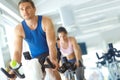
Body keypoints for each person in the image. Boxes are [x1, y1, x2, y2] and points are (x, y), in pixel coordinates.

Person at [9, 0, 61, 80]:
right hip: (36, 57)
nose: (25, 11)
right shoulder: (19, 29)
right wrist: (14, 68)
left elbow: (51, 44)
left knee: (49, 68)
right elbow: (17, 52)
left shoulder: (45, 21)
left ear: (34, 9)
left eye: (28, 8)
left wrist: (53, 58)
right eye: (22, 9)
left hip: (51, 52)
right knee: (36, 75)